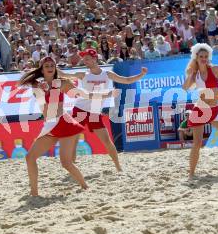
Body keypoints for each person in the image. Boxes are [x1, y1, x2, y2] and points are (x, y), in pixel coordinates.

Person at [19, 56, 116, 196]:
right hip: (49, 125)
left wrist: (107, 94)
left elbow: (85, 94)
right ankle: (34, 193)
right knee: (30, 158)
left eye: (52, 65)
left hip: (64, 123)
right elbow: (42, 103)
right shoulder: (36, 84)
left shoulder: (62, 83)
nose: (50, 68)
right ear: (42, 69)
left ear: (55, 68)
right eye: (46, 66)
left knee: (66, 163)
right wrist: (42, 89)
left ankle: (85, 187)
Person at [59, 48, 147, 172]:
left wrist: (141, 75)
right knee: (74, 139)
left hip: (95, 111)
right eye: (84, 60)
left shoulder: (107, 74)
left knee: (106, 140)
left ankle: (118, 167)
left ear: (95, 59)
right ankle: (72, 169)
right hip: (80, 109)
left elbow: (126, 80)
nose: (86, 62)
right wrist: (49, 68)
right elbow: (64, 75)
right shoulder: (83, 74)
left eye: (88, 59)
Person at [182, 44, 218, 180]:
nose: (204, 59)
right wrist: (190, 74)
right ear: (196, 57)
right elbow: (185, 88)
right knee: (197, 143)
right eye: (201, 56)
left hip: (214, 111)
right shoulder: (195, 74)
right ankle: (191, 174)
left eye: (205, 56)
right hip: (201, 110)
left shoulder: (214, 69)